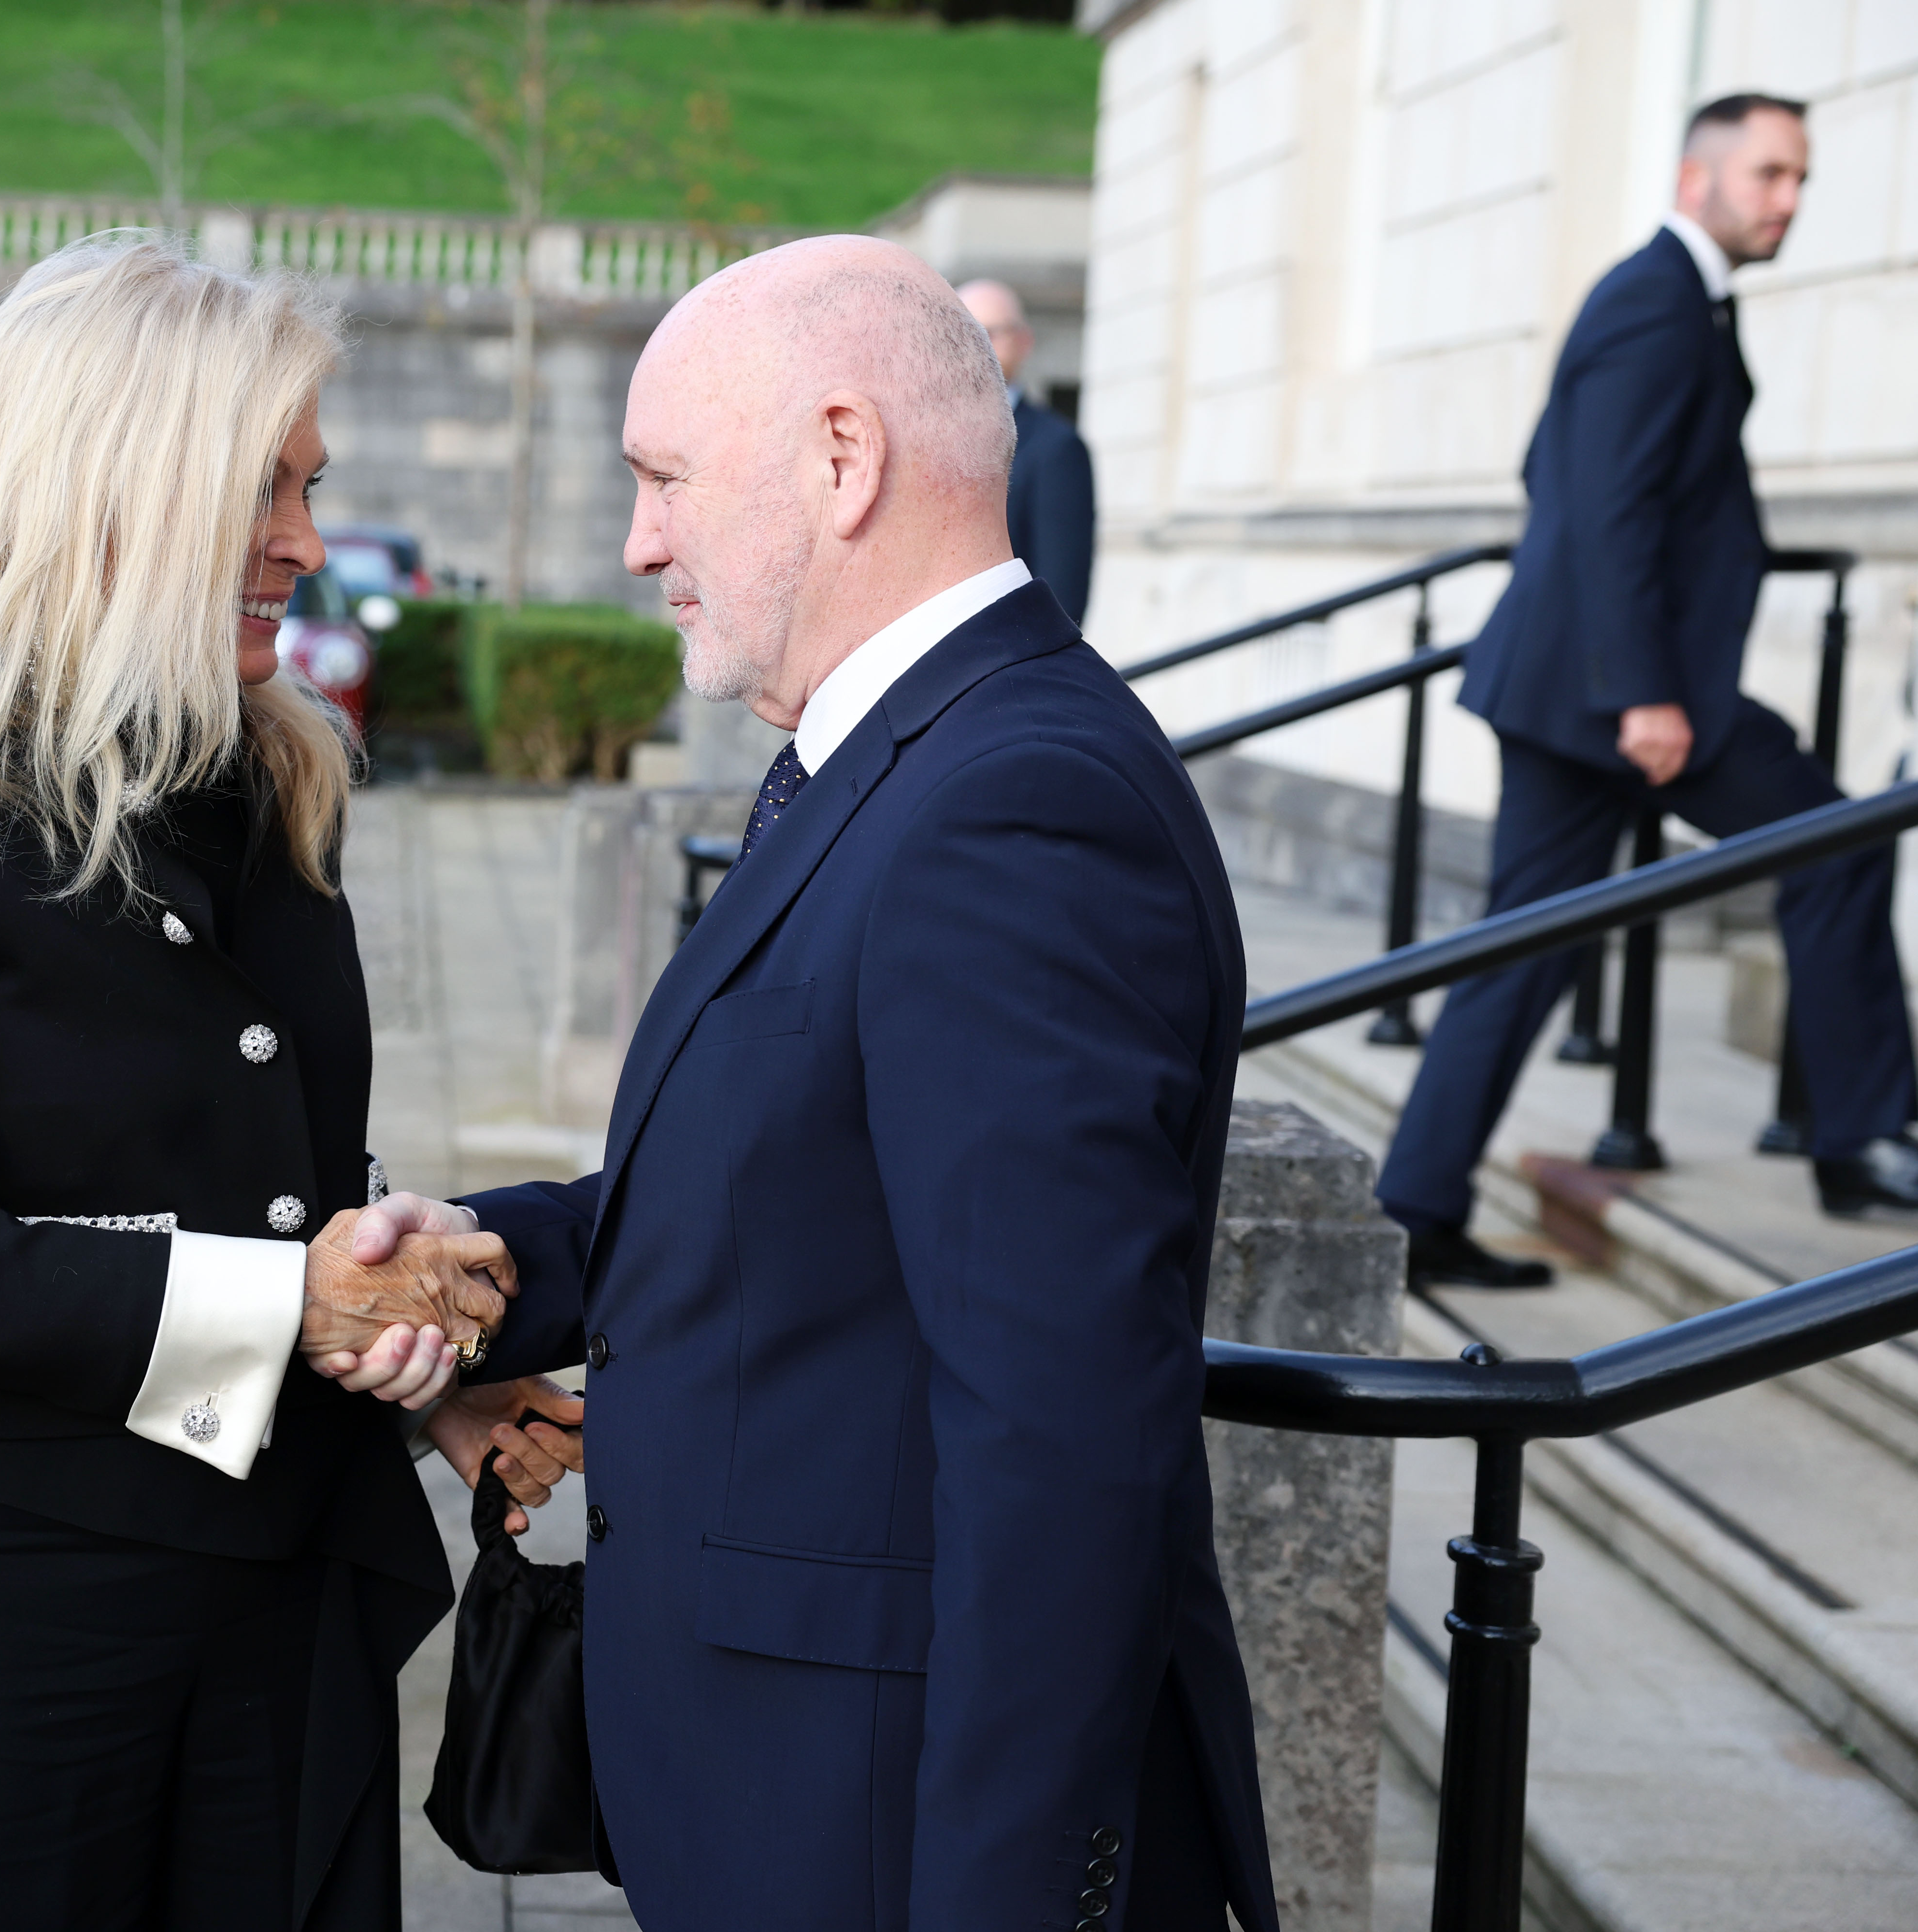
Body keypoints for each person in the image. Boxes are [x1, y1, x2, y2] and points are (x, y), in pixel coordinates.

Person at [360, 235, 1275, 1932]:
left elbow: (1060, 1440)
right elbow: (798, 1186)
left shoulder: (1012, 808)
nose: (639, 541)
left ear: (843, 458)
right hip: (780, 1791)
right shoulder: (903, 759)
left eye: (666, 478)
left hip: (880, 1833)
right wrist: (481, 1264)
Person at [0, 237, 561, 1932]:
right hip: (24, 1648)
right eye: (264, 485)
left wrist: (420, 1370)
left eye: (308, 486)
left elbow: (271, 1174)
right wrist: (297, 1304)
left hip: (287, 1611)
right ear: (112, 486)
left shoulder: (277, 781)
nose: (306, 542)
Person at [1382, 92, 1918, 1286]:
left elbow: (1551, 467)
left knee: (1526, 947)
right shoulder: (1660, 302)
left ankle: (1414, 1208)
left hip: (1581, 686)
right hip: (1630, 695)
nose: (1788, 200)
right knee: (1837, 845)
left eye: (1800, 179)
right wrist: (1642, 691)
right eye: (1769, 174)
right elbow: (1608, 506)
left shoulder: (1668, 297)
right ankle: (1861, 1141)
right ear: (1697, 178)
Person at [958, 276, 1094, 624]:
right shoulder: (919, 436)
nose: (977, 347)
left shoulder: (1057, 448)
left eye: (991, 333)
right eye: (962, 334)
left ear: (1024, 341)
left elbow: (1061, 600)